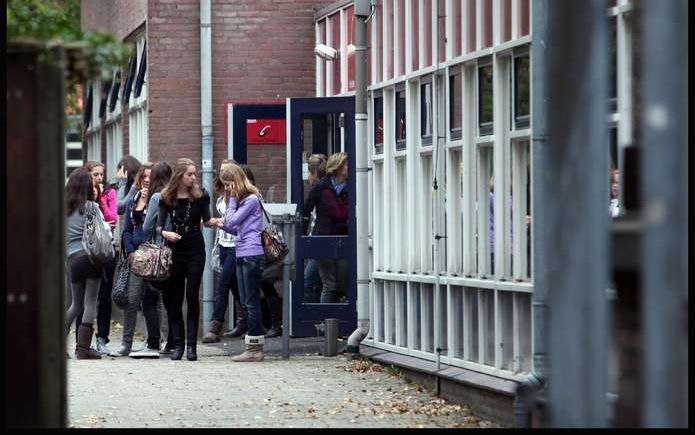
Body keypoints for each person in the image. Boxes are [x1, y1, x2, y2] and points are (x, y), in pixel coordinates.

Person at [157, 158, 222, 361]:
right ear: (179, 175)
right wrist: (166, 234)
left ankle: (192, 346)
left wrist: (220, 222)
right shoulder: (167, 197)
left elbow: (206, 220)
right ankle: (178, 344)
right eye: (190, 174)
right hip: (175, 250)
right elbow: (158, 226)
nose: (194, 178)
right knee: (174, 298)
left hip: (195, 248)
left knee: (192, 295)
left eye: (194, 174)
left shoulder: (201, 195)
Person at [114, 162, 165, 358]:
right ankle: (126, 343)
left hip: (153, 256)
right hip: (136, 257)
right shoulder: (133, 200)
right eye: (143, 177)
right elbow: (127, 229)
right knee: (132, 300)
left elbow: (151, 229)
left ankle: (155, 340)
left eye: (150, 177)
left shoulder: (160, 200)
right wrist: (129, 251)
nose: (146, 180)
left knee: (153, 301)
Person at [217, 163, 267, 361]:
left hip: (252, 254)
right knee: (246, 302)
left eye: (229, 184)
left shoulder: (251, 200)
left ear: (236, 181)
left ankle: (255, 349)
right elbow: (236, 228)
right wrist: (220, 225)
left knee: (252, 302)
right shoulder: (244, 200)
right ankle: (252, 346)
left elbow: (232, 221)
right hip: (241, 251)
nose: (227, 189)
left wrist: (230, 202)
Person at [64, 168, 105, 359]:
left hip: (72, 259)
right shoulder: (91, 207)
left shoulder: (63, 209)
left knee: (74, 304)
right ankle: (83, 349)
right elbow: (100, 234)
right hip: (89, 258)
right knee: (90, 302)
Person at [202, 160, 245, 343]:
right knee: (236, 287)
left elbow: (234, 221)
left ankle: (215, 326)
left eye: (226, 171)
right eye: (221, 171)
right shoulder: (221, 196)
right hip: (224, 244)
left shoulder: (242, 196)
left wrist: (218, 222)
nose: (223, 174)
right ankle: (246, 321)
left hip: (238, 244)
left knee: (223, 285)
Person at [80, 160, 118, 355]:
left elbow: (113, 218)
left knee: (104, 296)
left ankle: (102, 338)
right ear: (87, 176)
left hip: (105, 250)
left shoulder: (109, 193)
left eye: (101, 174)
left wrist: (101, 199)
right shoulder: (79, 198)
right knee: (83, 297)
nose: (100, 178)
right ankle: (82, 342)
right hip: (85, 252)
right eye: (95, 175)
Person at [242, 164, 283, 338]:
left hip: (258, 246)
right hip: (254, 245)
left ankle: (272, 324)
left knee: (265, 284)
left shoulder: (252, 196)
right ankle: (269, 324)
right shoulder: (250, 195)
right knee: (262, 286)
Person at [303, 152, 349, 303]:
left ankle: (335, 320)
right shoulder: (321, 187)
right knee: (328, 284)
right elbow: (306, 210)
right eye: (346, 165)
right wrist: (303, 239)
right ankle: (324, 321)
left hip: (344, 240)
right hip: (323, 240)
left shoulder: (351, 187)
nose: (349, 168)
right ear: (338, 168)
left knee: (342, 284)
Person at [142, 161, 175, 355]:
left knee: (149, 299)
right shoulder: (176, 195)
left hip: (158, 253)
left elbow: (147, 227)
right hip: (175, 251)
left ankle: (153, 341)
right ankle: (172, 342)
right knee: (171, 299)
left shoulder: (157, 197)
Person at [302, 154, 326, 303]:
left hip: (319, 242)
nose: (308, 179)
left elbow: (307, 212)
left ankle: (316, 319)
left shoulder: (318, 188)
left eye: (308, 174)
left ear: (314, 173)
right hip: (316, 240)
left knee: (307, 281)